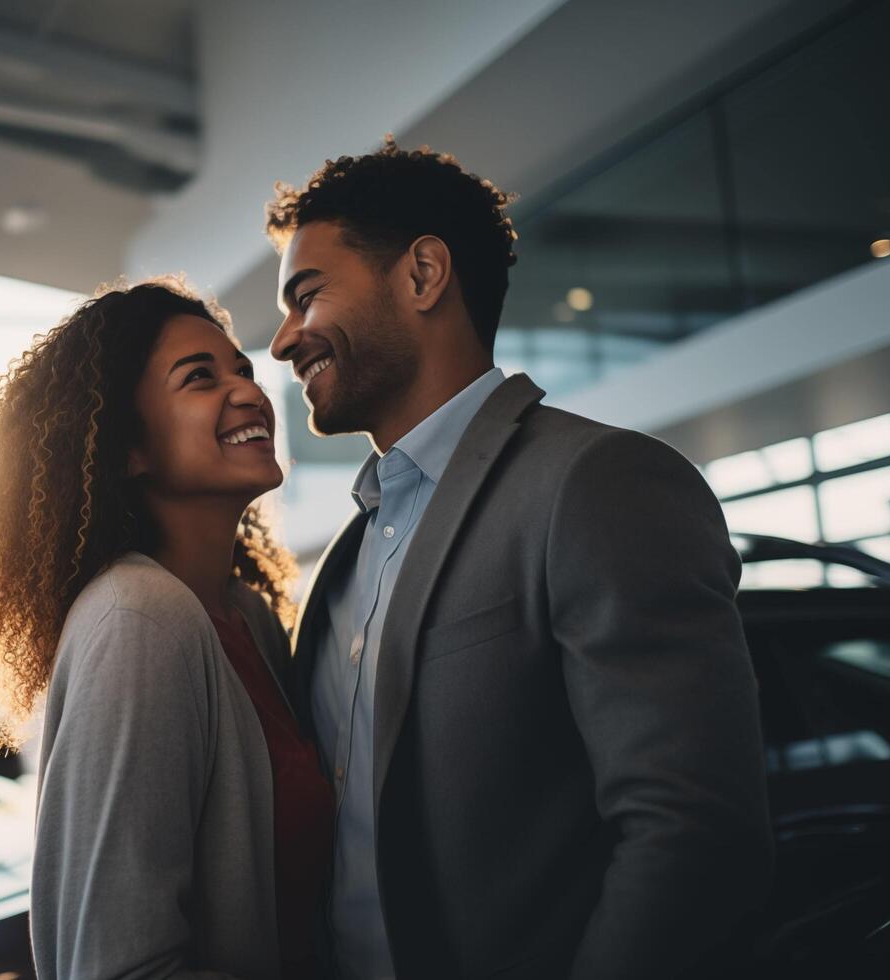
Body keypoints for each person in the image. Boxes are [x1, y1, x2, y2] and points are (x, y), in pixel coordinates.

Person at [264, 139, 773, 978]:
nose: (284, 341)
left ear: (423, 274)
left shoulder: (598, 482)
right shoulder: (348, 549)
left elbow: (692, 837)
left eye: (306, 295)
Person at [0, 279, 332, 980]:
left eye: (241, 369)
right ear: (128, 449)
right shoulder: (141, 619)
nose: (246, 391)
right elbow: (119, 968)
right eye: (199, 379)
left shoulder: (243, 616)